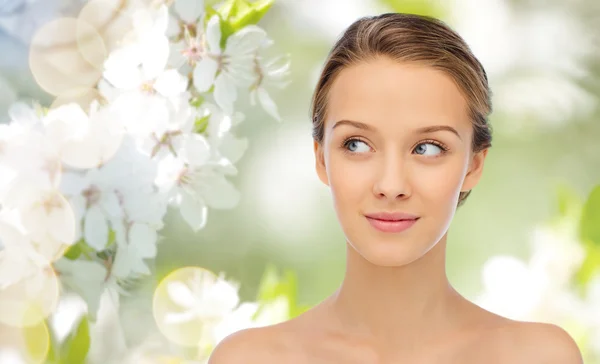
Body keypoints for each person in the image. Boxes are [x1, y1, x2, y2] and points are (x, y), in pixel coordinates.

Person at [209, 13, 583, 363]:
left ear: (474, 164)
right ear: (321, 158)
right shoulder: (250, 358)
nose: (391, 185)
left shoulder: (539, 356)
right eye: (356, 144)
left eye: (428, 148)